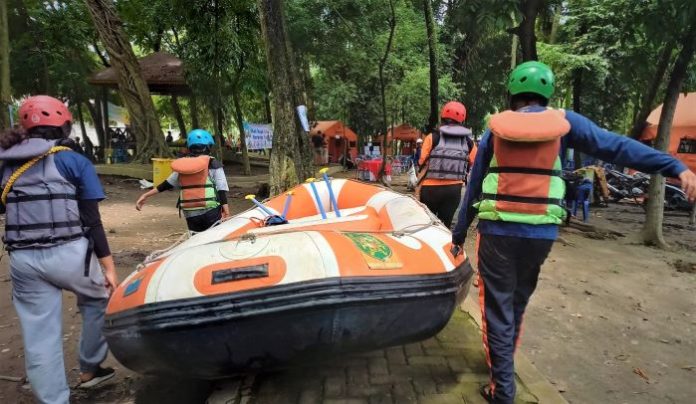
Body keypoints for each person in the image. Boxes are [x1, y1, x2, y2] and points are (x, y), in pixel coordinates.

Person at [450, 61, 696, 404]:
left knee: (497, 309)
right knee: (515, 304)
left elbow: (475, 182)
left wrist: (459, 233)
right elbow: (617, 147)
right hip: (541, 235)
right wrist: (675, 165)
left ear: (512, 95)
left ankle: (502, 388)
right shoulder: (565, 123)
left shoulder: (496, 128)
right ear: (546, 94)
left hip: (498, 232)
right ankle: (503, 373)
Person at [0, 95, 119, 403]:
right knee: (100, 300)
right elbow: (92, 221)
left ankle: (54, 399)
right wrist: (108, 267)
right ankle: (90, 369)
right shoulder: (74, 161)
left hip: (24, 261)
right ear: (65, 125)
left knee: (40, 336)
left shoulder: (7, 164)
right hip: (71, 255)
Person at [136, 129, 230, 232]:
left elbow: (166, 184)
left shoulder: (184, 165)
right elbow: (221, 189)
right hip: (211, 210)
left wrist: (145, 195)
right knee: (212, 240)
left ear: (189, 147)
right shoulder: (213, 163)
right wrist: (226, 210)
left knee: (196, 240)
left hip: (190, 212)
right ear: (208, 146)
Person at [417, 101, 477, 228]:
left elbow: (422, 160)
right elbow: (474, 162)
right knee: (445, 226)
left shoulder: (433, 137)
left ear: (442, 117)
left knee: (427, 225)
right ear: (462, 120)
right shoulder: (468, 142)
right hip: (453, 190)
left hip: (429, 189)